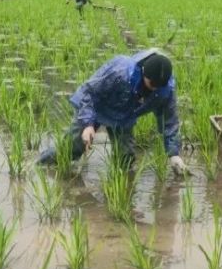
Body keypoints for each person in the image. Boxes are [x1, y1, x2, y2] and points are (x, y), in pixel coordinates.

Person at [38, 48, 188, 175]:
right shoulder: (120, 71)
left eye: (158, 86)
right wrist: (88, 124)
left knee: (125, 159)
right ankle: (38, 166)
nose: (154, 89)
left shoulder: (166, 90)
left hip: (124, 117)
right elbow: (88, 92)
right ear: (143, 73)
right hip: (96, 107)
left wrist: (173, 154)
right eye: (151, 84)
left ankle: (120, 192)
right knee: (70, 150)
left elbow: (169, 121)